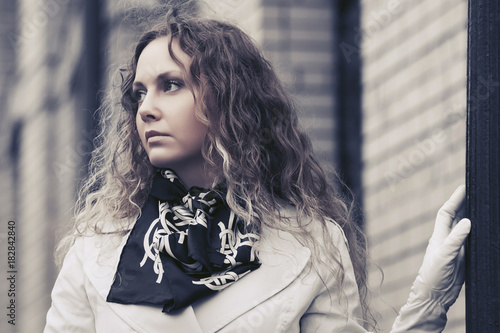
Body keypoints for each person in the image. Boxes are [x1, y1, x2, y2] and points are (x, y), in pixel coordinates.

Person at [44, 10, 471, 333]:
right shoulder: (96, 251)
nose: (146, 109)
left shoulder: (313, 242)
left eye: (170, 85)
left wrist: (427, 303)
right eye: (139, 93)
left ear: (229, 99)